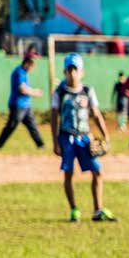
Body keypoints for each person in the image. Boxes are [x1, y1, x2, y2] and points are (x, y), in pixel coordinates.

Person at [51, 53, 114, 223]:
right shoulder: (60, 92)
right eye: (69, 70)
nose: (72, 73)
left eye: (75, 70)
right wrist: (55, 141)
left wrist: (105, 135)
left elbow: (95, 114)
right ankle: (74, 210)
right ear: (65, 71)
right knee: (69, 174)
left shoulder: (87, 90)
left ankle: (97, 210)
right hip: (67, 137)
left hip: (85, 138)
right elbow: (54, 116)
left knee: (97, 172)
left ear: (82, 72)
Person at [0, 47, 44, 149]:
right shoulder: (19, 72)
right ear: (27, 63)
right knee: (11, 126)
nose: (33, 68)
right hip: (18, 105)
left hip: (26, 106)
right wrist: (35, 92)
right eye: (32, 65)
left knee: (32, 126)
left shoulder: (24, 73)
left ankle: (41, 145)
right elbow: (22, 89)